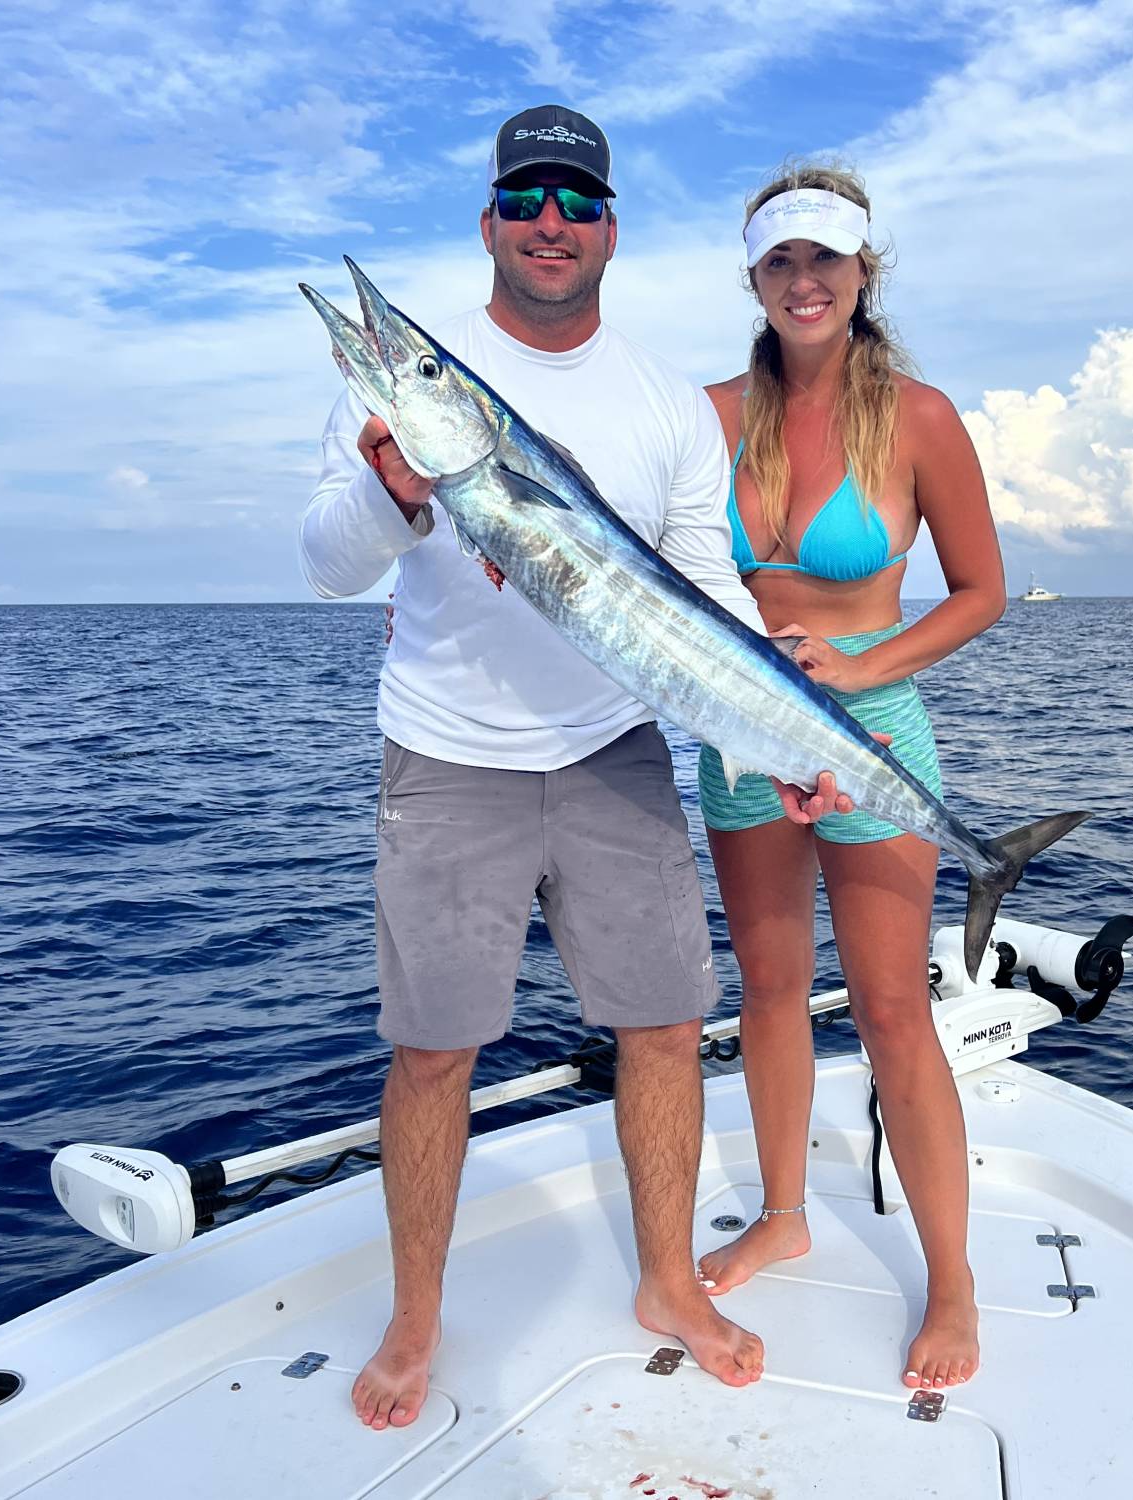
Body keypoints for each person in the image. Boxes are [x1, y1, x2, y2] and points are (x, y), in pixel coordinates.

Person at [300, 104, 788, 1431]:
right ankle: (414, 1325)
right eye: (526, 202)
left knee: (670, 1028)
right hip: (447, 757)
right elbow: (328, 566)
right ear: (489, 225)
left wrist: (784, 722)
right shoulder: (399, 393)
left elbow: (700, 588)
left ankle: (671, 1284)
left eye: (576, 201)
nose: (551, 224)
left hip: (611, 748)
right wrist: (399, 494)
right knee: (433, 1053)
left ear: (612, 229)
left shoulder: (667, 403)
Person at [694, 163, 1007, 1394]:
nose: (805, 282)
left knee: (891, 1010)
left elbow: (982, 590)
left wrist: (864, 658)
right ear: (754, 278)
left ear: (865, 272)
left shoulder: (919, 417)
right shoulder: (710, 413)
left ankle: (954, 1278)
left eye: (827, 259)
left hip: (877, 741)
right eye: (781, 262)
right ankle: (783, 1213)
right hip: (740, 740)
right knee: (768, 992)